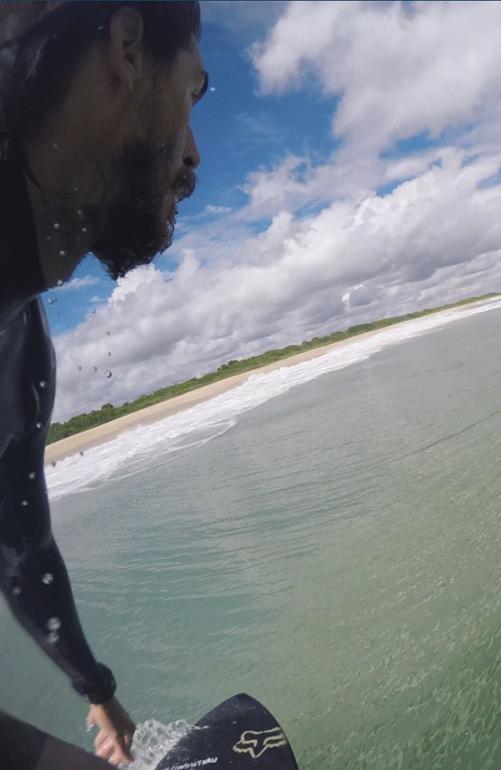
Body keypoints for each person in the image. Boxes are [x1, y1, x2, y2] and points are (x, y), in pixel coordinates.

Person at [0, 2, 206, 767]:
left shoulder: (19, 360)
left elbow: (21, 549)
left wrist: (96, 690)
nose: (193, 156)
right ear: (125, 46)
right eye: (192, 94)